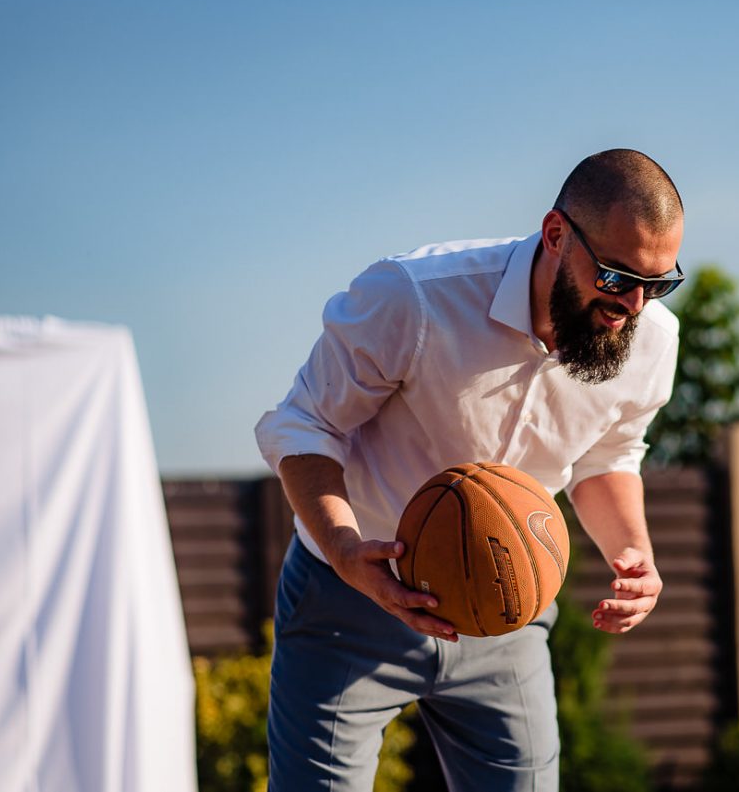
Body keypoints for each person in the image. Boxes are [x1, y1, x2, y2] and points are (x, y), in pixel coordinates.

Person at [254, 148, 686, 791]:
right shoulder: (414, 297)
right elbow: (304, 425)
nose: (634, 305)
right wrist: (346, 552)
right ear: (555, 235)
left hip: (507, 609)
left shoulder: (652, 340)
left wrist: (634, 551)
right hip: (352, 599)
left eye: (659, 283)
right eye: (619, 279)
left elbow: (607, 455)